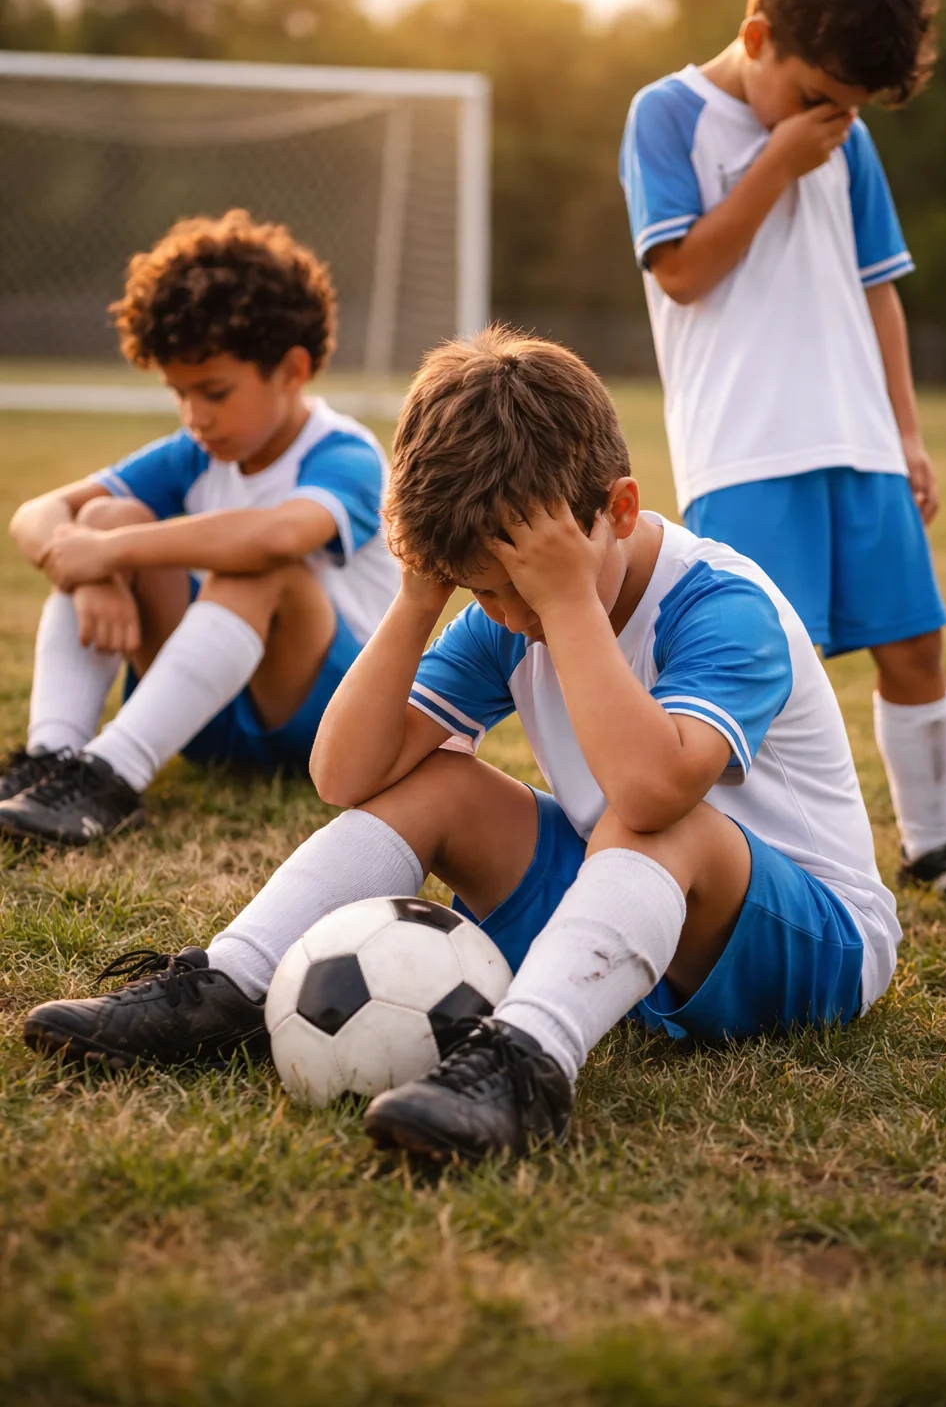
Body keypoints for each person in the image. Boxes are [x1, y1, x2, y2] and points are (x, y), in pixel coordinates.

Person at [24, 328, 901, 1164]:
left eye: (522, 588)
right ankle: (228, 986)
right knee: (438, 782)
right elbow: (344, 774)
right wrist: (418, 599)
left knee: (653, 823)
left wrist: (567, 602)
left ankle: (526, 1057)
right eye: (482, 590)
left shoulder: (722, 604)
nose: (509, 615)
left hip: (805, 948)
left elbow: (650, 794)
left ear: (620, 510)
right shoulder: (505, 615)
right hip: (631, 926)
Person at [619, 0, 946, 908]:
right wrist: (776, 163)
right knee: (753, 663)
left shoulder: (846, 136)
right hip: (747, 450)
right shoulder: (665, 114)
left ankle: (934, 852)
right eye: (816, 97)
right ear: (758, 35)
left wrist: (906, 433)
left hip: (860, 440)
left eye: (848, 108)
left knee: (914, 645)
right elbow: (682, 274)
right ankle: (757, 870)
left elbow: (878, 290)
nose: (833, 119)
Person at [0, 209, 398, 846]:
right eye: (179, 393)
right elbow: (37, 515)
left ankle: (113, 775)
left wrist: (107, 552)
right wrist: (95, 569)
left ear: (292, 371)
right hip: (205, 714)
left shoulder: (345, 454)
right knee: (105, 513)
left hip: (328, 724)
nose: (195, 416)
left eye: (214, 392)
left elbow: (277, 537)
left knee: (257, 565)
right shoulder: (197, 450)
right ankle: (53, 758)